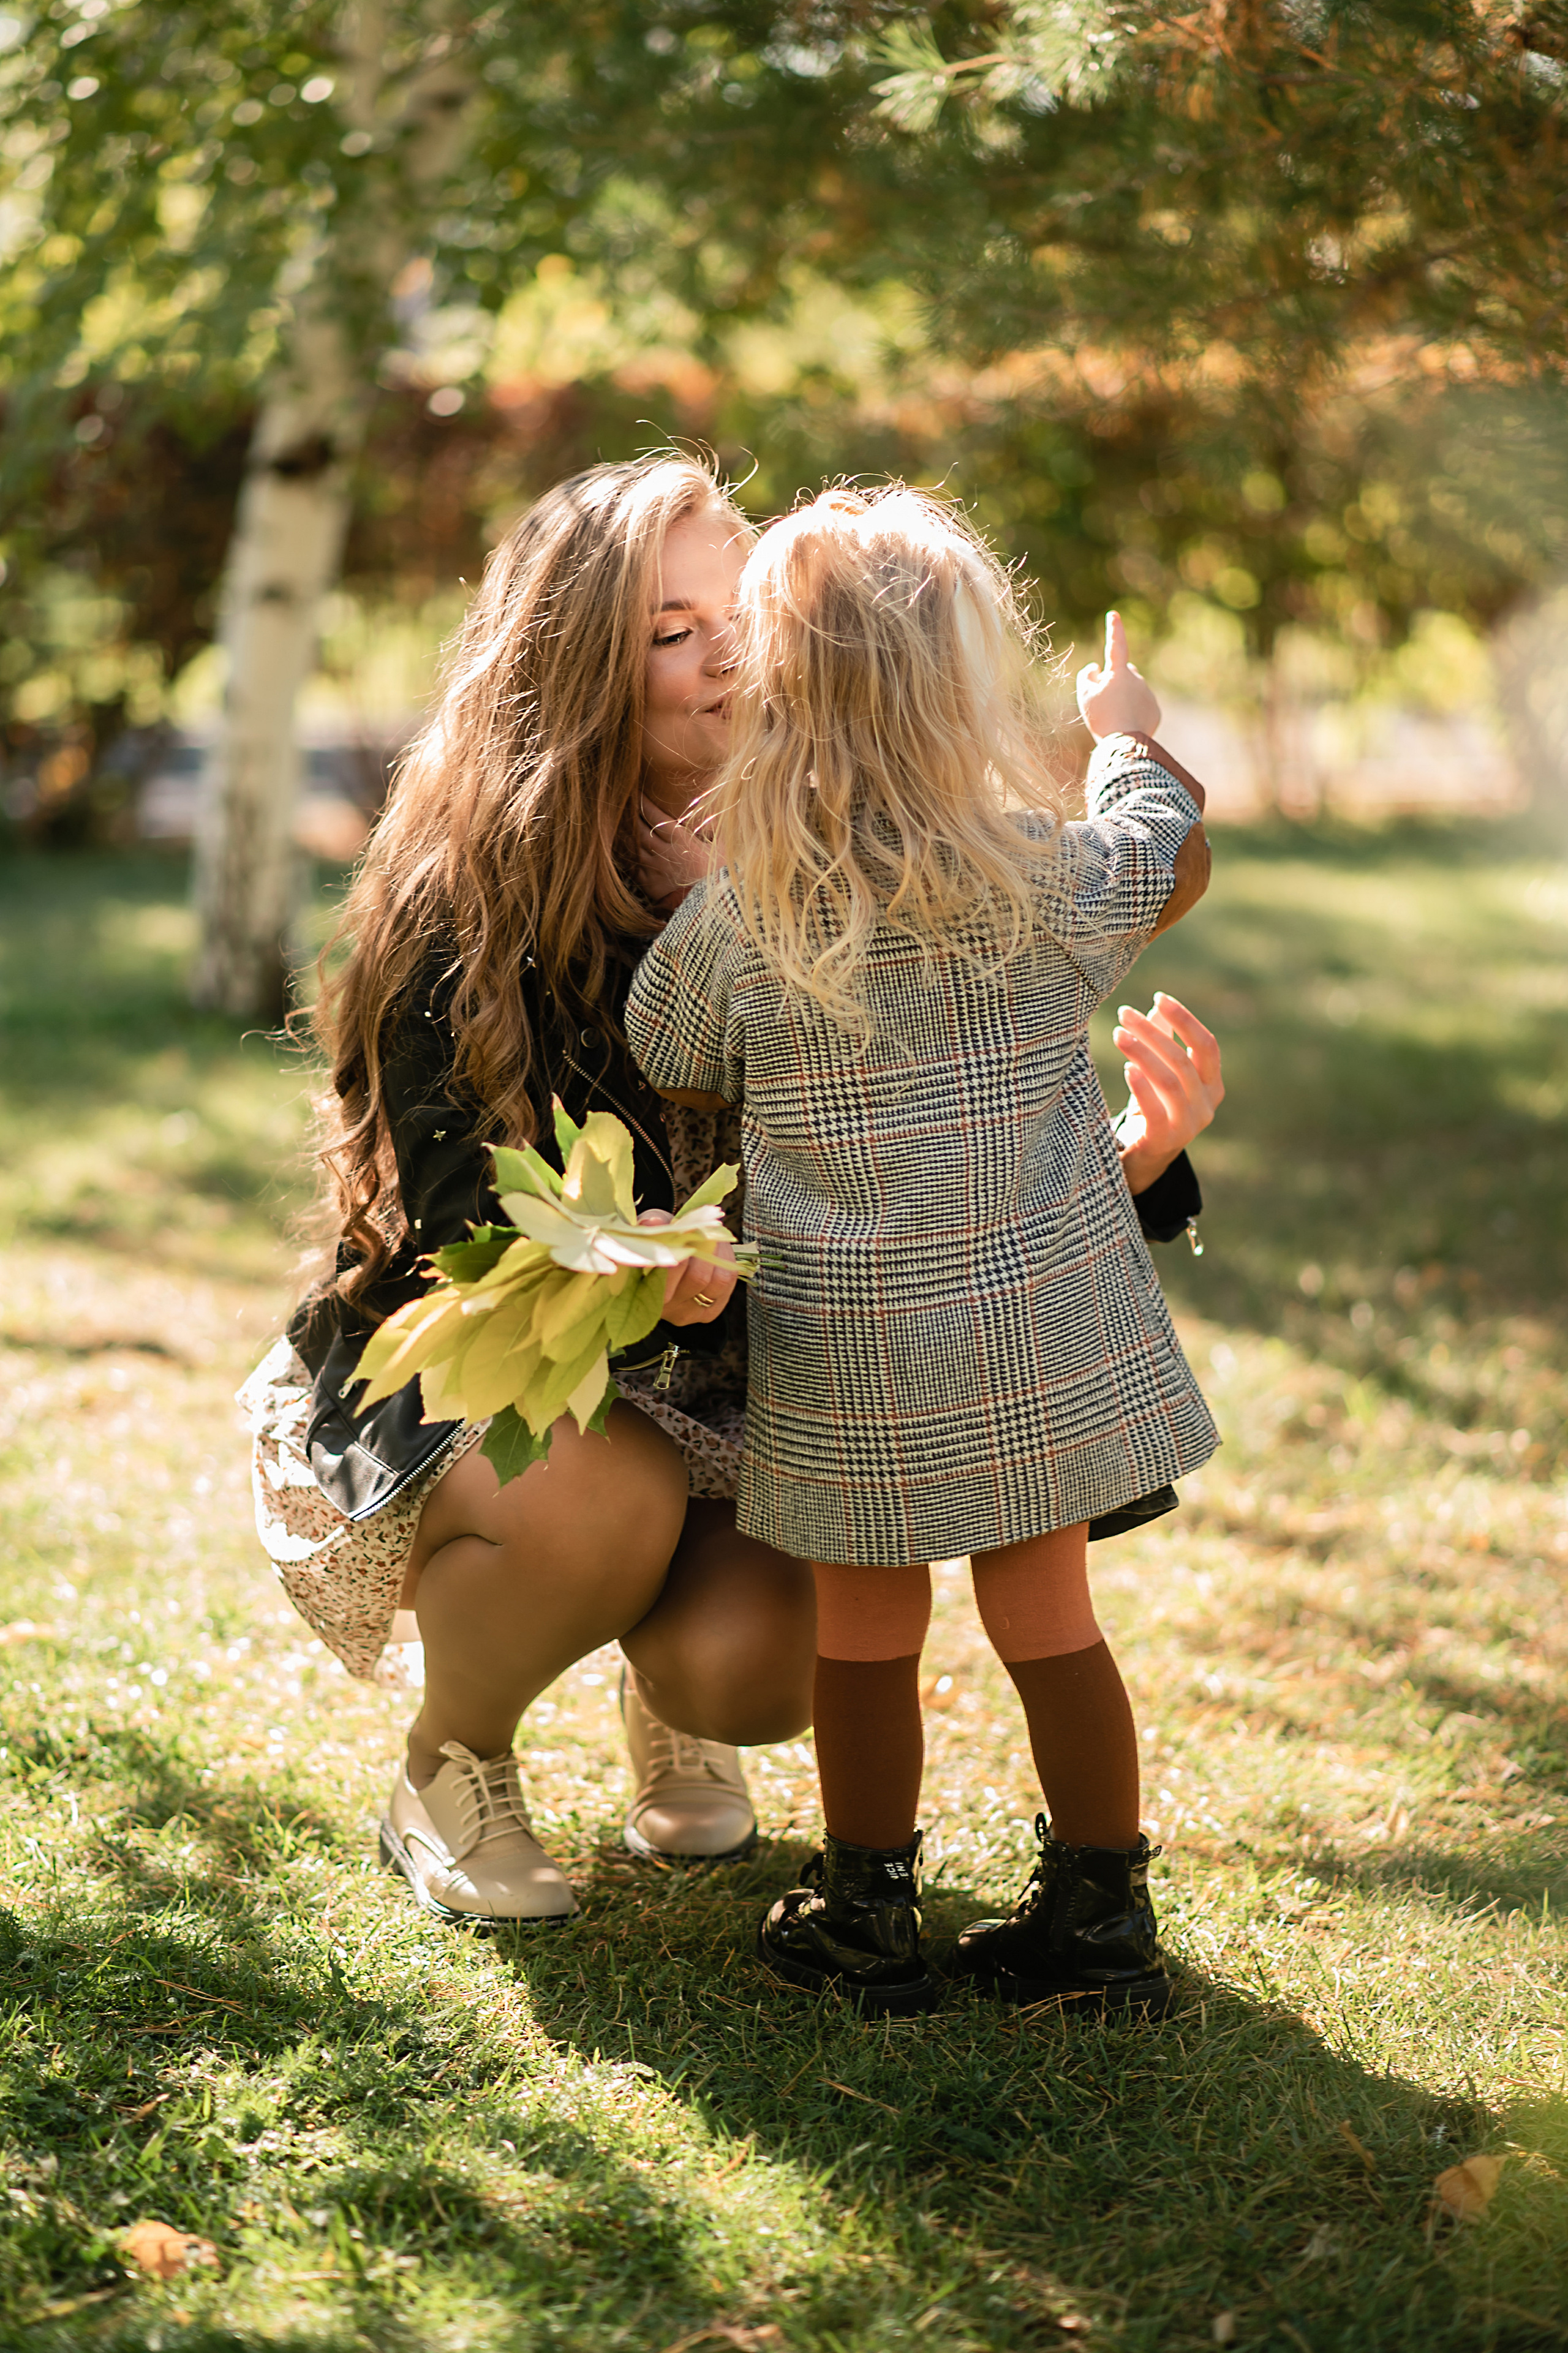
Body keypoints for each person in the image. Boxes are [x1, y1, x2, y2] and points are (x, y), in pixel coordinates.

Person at [239, 454, 1223, 1933]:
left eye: (738, 610)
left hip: (761, 1376)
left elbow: (932, 1141)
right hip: (522, 1368)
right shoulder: (474, 894)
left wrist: (1133, 1159)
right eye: (666, 629)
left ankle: (701, 1731)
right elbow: (460, 1223)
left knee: (775, 1659)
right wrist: (645, 1264)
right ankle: (456, 1764)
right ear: (576, 668)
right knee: (602, 1496)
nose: (729, 655)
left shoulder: (854, 864)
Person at [625, 485, 1219, 2016]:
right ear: (969, 683)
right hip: (1037, 1333)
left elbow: (668, 1050)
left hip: (856, 1347)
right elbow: (1161, 842)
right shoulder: (1049, 872)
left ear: (776, 683)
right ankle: (1099, 1921)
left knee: (864, 1637)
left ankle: (864, 1912)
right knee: (1051, 1625)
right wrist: (1122, 731)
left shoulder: (748, 913)